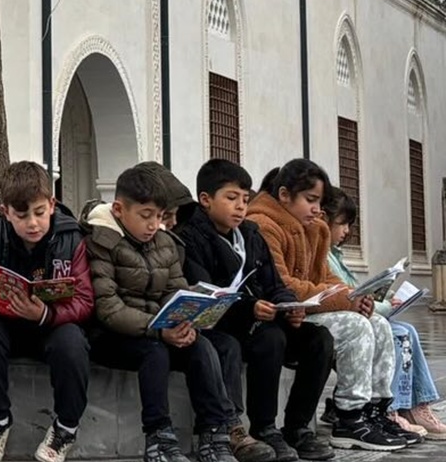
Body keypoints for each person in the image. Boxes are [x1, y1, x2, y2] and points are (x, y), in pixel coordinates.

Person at [174, 159, 335, 462]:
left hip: (262, 318)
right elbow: (205, 292)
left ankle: (298, 426)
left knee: (319, 339)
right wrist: (249, 308)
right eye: (231, 198)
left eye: (245, 199)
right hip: (226, 324)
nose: (240, 207)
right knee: (270, 338)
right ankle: (263, 427)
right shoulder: (190, 237)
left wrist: (291, 305)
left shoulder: (250, 234)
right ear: (206, 200)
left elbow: (274, 282)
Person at [247, 159, 411, 452]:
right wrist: (345, 299)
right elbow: (285, 286)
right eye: (310, 200)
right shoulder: (263, 225)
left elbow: (325, 276)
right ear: (284, 195)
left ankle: (375, 409)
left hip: (310, 309)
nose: (316, 208)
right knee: (355, 326)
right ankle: (348, 417)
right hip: (287, 315)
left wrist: (357, 295)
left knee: (379, 324)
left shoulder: (314, 228)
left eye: (319, 201)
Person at [83, 164, 238, 462]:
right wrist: (158, 329)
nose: (154, 224)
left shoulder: (165, 243)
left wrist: (187, 320)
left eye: (159, 216)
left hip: (160, 329)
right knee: (155, 352)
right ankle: (159, 438)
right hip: (113, 336)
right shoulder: (100, 243)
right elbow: (108, 308)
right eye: (145, 216)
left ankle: (213, 433)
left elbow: (175, 290)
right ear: (118, 209)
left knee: (201, 346)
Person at [0, 162, 94, 462]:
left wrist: (45, 315)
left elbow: (85, 300)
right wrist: (10, 304)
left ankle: (66, 426)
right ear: (5, 211)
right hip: (7, 324)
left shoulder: (71, 238)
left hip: (52, 325)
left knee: (73, 343)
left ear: (52, 204)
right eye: (21, 216)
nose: (32, 223)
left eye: (39, 212)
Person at [322, 187, 444, 440]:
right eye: (342, 224)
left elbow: (351, 291)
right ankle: (389, 408)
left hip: (358, 310)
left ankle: (414, 405)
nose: (346, 232)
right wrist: (388, 305)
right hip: (348, 316)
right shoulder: (322, 255)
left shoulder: (335, 254)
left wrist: (384, 296)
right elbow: (346, 297)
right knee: (396, 332)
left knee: (406, 329)